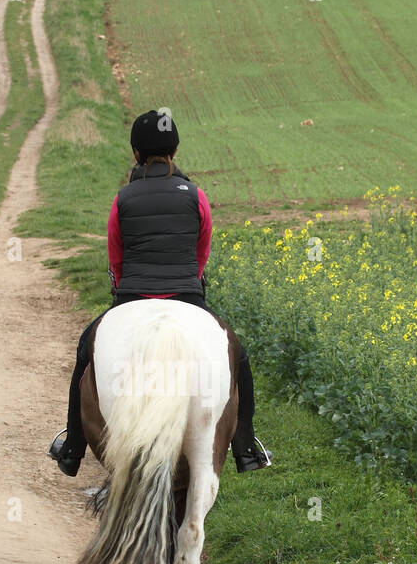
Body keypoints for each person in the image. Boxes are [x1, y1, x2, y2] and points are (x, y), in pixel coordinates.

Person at [47, 110, 271, 477]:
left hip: (132, 295)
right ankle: (245, 445)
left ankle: (73, 445)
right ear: (176, 149)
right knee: (239, 357)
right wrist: (188, 282)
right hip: (187, 295)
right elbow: (202, 252)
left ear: (136, 152)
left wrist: (125, 289)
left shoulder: (123, 199)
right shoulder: (196, 196)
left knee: (86, 348)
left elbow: (115, 258)